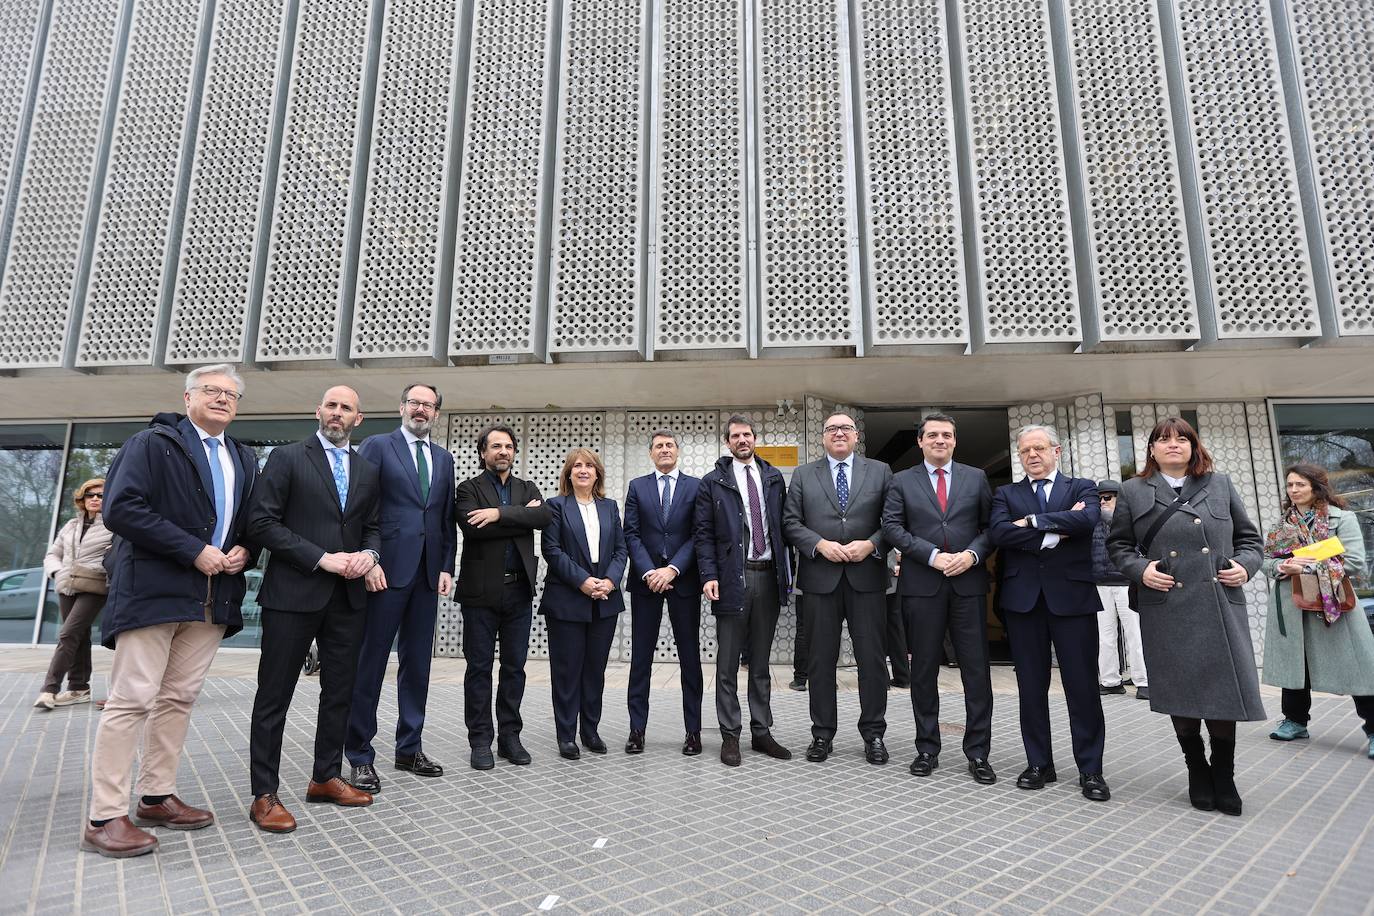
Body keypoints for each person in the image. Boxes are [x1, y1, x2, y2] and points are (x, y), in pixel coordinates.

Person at [83, 365, 259, 858]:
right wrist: (192, 550)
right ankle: (104, 816)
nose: (222, 399)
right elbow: (121, 509)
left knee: (178, 698)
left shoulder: (242, 456)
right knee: (131, 699)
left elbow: (249, 521)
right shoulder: (151, 444)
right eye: (212, 391)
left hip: (212, 596)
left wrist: (246, 549)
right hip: (154, 591)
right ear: (188, 398)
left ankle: (156, 796)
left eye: (231, 394)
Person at [1107, 416, 1264, 816]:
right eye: (1163, 439)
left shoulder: (1220, 484)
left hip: (1218, 602)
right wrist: (1140, 570)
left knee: (1221, 690)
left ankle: (1224, 773)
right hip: (1167, 605)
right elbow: (1120, 546)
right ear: (1152, 450)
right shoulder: (1133, 490)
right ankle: (1196, 767)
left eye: (1181, 439)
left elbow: (1249, 539)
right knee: (1182, 688)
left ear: (1193, 446)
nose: (1172, 445)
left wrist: (1245, 565)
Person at [244, 386, 382, 833]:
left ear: (358, 419)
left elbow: (373, 527)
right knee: (274, 696)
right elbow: (262, 523)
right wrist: (322, 558)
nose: (337, 413)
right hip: (293, 594)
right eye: (332, 405)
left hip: (347, 599)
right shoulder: (286, 458)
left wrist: (370, 556)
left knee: (339, 693)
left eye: (347, 408)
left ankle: (325, 777)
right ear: (318, 411)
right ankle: (264, 794)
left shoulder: (366, 468)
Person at [988, 425, 1110, 802]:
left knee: (1082, 687)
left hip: (1072, 599)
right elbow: (998, 534)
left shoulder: (1082, 487)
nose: (1032, 456)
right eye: (1025, 451)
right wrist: (1058, 527)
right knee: (1031, 687)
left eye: (1039, 448)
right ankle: (1039, 763)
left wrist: (1031, 522)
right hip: (1023, 601)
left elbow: (1088, 520)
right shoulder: (1006, 493)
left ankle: (1090, 770)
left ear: (1056, 451)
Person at [346, 384, 457, 793]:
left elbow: (444, 519)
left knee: (418, 667)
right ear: (402, 406)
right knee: (371, 662)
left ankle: (409, 748)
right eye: (415, 402)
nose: (421, 410)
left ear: (437, 414)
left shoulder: (443, 459)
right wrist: (367, 558)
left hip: (427, 577)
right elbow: (359, 506)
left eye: (429, 404)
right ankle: (359, 755)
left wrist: (446, 566)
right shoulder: (377, 446)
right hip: (385, 573)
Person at [881, 412, 996, 785]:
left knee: (976, 672)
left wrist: (971, 555)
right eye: (932, 435)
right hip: (922, 586)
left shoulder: (976, 478)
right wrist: (932, 555)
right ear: (920, 441)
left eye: (947, 435)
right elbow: (892, 527)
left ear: (955, 441)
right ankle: (927, 748)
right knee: (924, 672)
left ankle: (978, 753)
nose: (940, 440)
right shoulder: (900, 481)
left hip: (968, 584)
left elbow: (989, 527)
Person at [783, 413, 894, 764]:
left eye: (845, 428)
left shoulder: (880, 471)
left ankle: (874, 734)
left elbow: (893, 521)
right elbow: (790, 522)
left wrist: (872, 544)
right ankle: (821, 734)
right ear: (823, 437)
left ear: (856, 436)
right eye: (832, 429)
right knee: (820, 660)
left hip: (867, 578)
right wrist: (818, 544)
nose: (839, 433)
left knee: (872, 661)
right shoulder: (802, 474)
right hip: (820, 578)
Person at [694, 414, 792, 767]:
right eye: (735, 436)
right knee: (727, 662)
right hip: (732, 578)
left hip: (767, 576)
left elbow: (784, 527)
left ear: (755, 438)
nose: (742, 440)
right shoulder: (713, 482)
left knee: (762, 663)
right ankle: (730, 736)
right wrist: (708, 575)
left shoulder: (773, 477)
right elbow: (702, 534)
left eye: (747, 434)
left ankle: (762, 731)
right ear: (728, 442)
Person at [1262, 463, 1374, 759]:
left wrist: (1309, 565)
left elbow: (1356, 561)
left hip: (1334, 602)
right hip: (1291, 602)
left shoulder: (1342, 518)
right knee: (1295, 664)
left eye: (1300, 484)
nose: (1294, 490)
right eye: (1290, 485)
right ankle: (1296, 721)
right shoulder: (1281, 524)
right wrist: (1281, 566)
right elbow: (1265, 560)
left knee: (1359, 665)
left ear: (1316, 486)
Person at [455, 424, 551, 770]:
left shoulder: (527, 487)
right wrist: (520, 518)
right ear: (483, 452)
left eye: (508, 446)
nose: (503, 451)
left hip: (518, 590)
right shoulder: (468, 489)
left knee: (514, 668)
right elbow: (470, 527)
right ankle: (480, 740)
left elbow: (543, 516)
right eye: (495, 446)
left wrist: (498, 514)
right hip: (480, 592)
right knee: (478, 669)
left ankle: (510, 737)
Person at [541, 449, 628, 759]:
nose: (583, 470)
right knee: (567, 671)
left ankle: (590, 730)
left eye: (589, 465)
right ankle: (566, 735)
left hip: (605, 598)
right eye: (576, 465)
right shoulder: (555, 506)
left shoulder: (610, 507)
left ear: (597, 473)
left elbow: (620, 550)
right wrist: (582, 581)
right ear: (568, 473)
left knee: (594, 670)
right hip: (567, 598)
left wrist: (611, 581)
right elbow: (552, 551)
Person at [623, 430, 704, 755]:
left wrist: (673, 569)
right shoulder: (637, 486)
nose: (665, 450)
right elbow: (631, 533)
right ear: (651, 453)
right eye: (659, 446)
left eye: (670, 445)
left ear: (678, 451)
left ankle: (693, 731)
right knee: (641, 658)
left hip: (683, 581)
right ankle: (636, 729)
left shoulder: (695, 487)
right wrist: (649, 571)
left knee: (690, 658)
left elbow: (700, 532)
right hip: (646, 583)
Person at [35, 478, 113, 711]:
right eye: (90, 495)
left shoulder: (113, 526)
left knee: (68, 634)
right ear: (82, 499)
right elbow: (52, 554)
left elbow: (116, 555)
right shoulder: (70, 525)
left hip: (95, 585)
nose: (95, 499)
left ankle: (49, 689)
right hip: (66, 586)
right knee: (79, 636)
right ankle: (79, 687)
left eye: (100, 495)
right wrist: (57, 572)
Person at [1093, 480, 1148, 700]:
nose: (1103, 502)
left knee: (1135, 633)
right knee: (1105, 636)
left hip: (1127, 582)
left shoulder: (1131, 517)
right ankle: (1110, 681)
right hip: (1100, 582)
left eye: (1108, 497)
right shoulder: (1093, 520)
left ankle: (1144, 681)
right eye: (1099, 498)